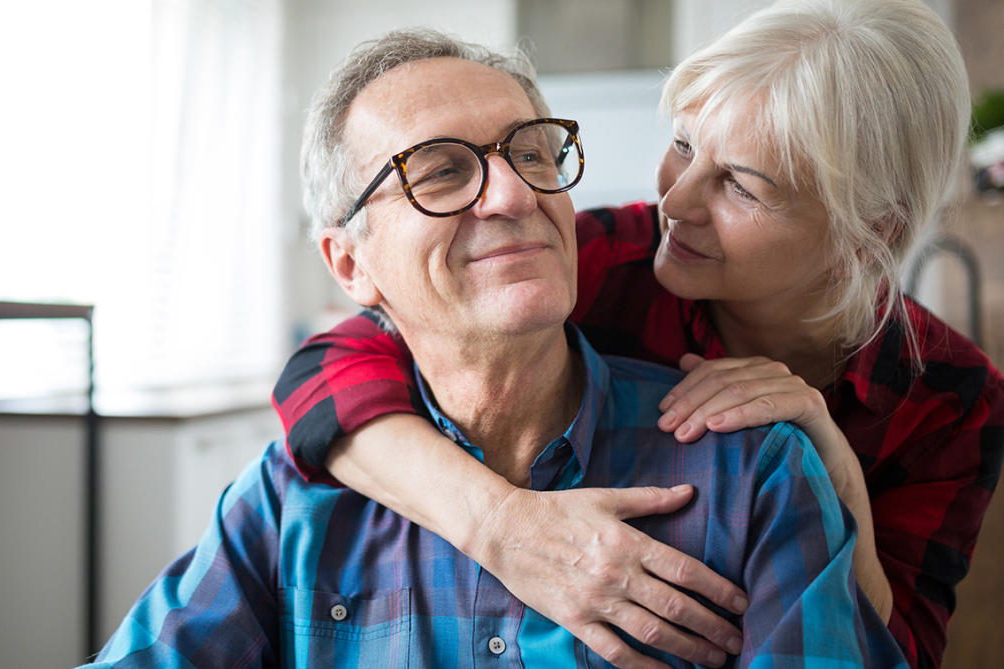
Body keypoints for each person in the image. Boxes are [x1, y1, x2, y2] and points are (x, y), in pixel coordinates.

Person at [86, 28, 907, 669]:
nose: (514, 192)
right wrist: (500, 523)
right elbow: (315, 373)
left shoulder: (754, 473)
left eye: (533, 151)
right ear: (350, 264)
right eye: (440, 171)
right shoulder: (288, 501)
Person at [270, 0, 1004, 667]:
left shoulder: (951, 398)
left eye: (741, 185)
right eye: (684, 146)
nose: (675, 201)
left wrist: (839, 478)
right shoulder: (603, 259)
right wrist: (501, 525)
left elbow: (900, 649)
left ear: (867, 234)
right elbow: (323, 370)